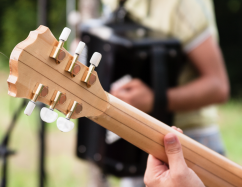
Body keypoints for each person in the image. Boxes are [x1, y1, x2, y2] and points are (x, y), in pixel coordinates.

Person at [77, 0, 229, 186]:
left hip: (191, 142)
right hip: (139, 139)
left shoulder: (183, 5)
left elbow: (219, 86)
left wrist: (154, 99)